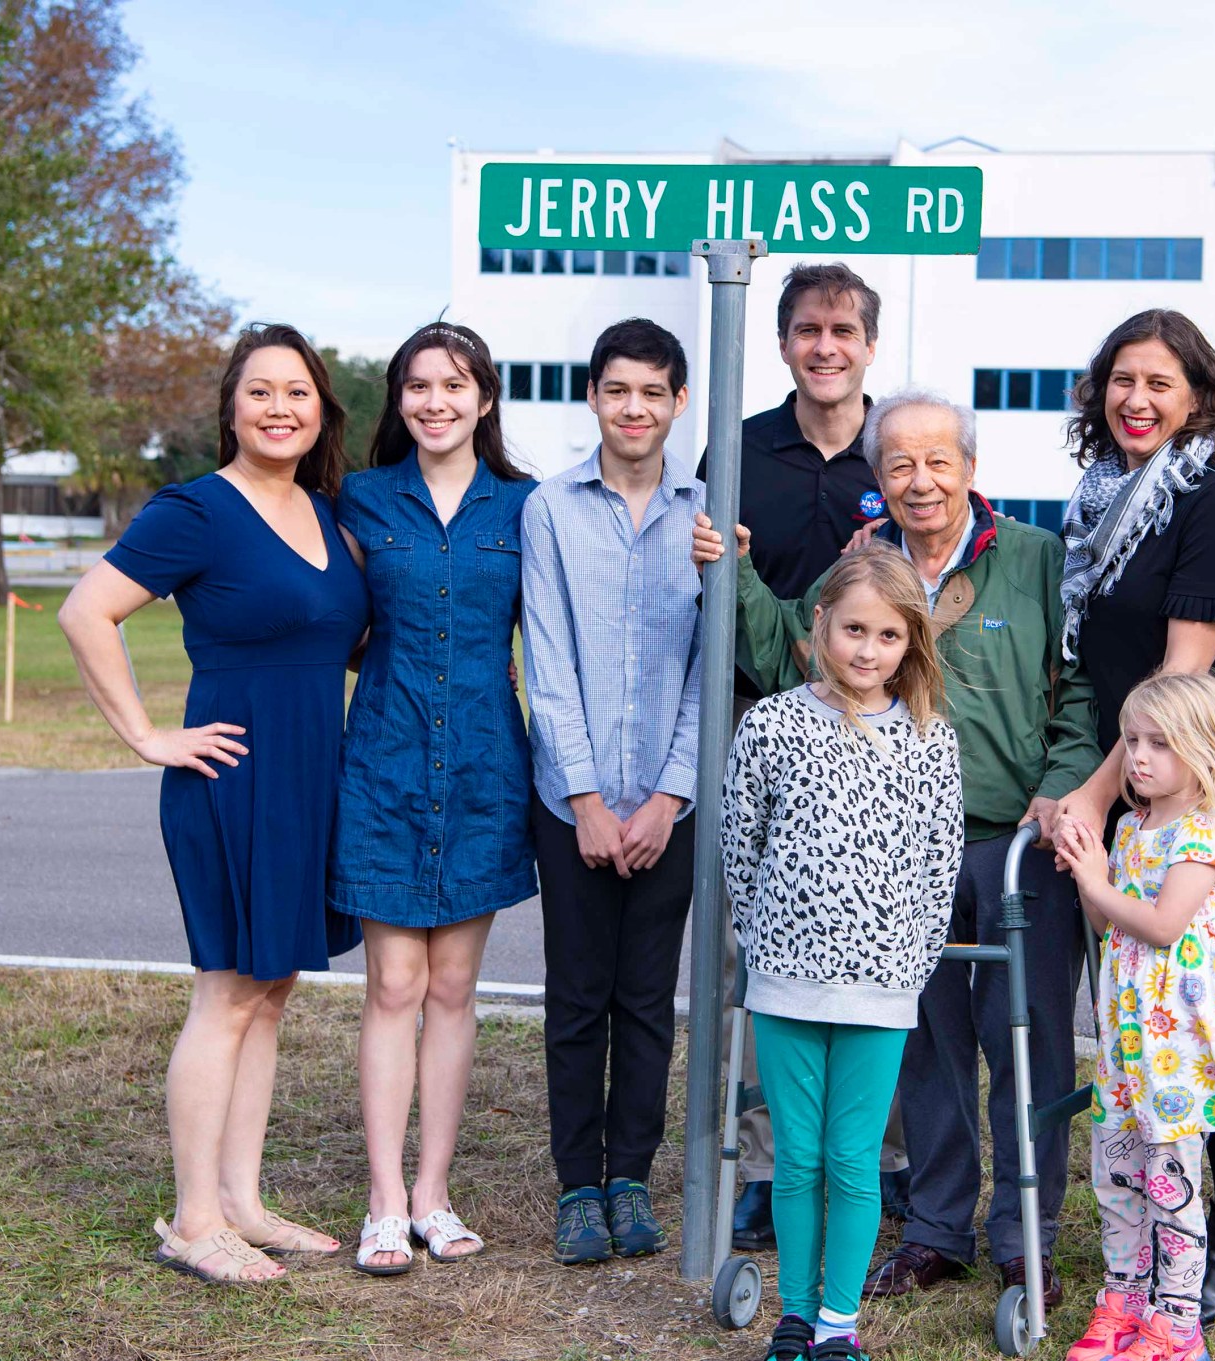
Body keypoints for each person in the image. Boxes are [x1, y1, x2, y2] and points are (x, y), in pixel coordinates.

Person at [695, 388, 1101, 1309]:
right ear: (877, 477)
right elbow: (788, 648)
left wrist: (1060, 788)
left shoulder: (1036, 560)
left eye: (939, 461)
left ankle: (1022, 1233)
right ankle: (935, 1228)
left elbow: (1082, 689)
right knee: (925, 1044)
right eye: (900, 464)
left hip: (1014, 840)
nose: (921, 482)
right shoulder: (863, 568)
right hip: (886, 859)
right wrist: (742, 574)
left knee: (1023, 1037)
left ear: (969, 468)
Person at [59, 323, 366, 1284]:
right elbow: (86, 610)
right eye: (261, 391)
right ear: (231, 407)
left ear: (322, 411)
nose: (281, 408)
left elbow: (337, 639)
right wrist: (148, 737)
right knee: (230, 991)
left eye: (299, 393)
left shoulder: (327, 512)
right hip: (232, 778)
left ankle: (242, 1200)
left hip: (314, 776)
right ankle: (193, 1221)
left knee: (271, 990)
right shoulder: (196, 510)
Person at [1049, 310, 1215, 1324]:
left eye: (1159, 382)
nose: (1135, 400)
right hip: (1140, 772)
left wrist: (1097, 793)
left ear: (1199, 395)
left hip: (1208, 779)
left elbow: (1177, 673)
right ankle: (1154, 1221)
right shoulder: (1099, 503)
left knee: (1203, 1014)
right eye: (1120, 379)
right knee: (1143, 1005)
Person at [722, 543, 965, 1361]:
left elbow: (940, 862)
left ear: (911, 643)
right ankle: (793, 1315)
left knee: (854, 1159)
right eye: (854, 628)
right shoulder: (773, 723)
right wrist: (766, 945)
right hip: (786, 981)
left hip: (881, 987)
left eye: (888, 635)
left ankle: (836, 1322)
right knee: (797, 1158)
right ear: (820, 623)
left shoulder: (931, 740)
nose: (868, 649)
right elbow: (740, 844)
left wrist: (908, 961)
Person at [702, 260, 902, 1251]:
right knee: (760, 956)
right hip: (764, 741)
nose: (825, 346)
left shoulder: (895, 456)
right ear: (781, 341)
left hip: (873, 746)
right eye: (807, 330)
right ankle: (764, 1160)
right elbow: (713, 603)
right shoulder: (737, 452)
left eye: (843, 330)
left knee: (883, 950)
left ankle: (884, 1164)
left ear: (869, 344)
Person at [331, 322, 537, 1274]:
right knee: (392, 987)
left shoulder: (526, 506)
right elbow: (324, 618)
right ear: (398, 400)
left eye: (454, 385)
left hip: (489, 774)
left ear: (484, 399)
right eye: (418, 386)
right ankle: (381, 1201)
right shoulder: (361, 500)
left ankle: (433, 1194)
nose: (435, 401)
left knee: (454, 990)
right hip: (384, 767)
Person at [521, 316, 704, 1265]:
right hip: (573, 805)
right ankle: (577, 1185)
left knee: (646, 997)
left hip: (670, 807)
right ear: (594, 396)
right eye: (617, 389)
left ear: (679, 403)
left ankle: (630, 1174)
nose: (634, 408)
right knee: (578, 995)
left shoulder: (708, 513)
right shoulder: (550, 509)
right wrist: (587, 798)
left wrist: (669, 796)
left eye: (653, 392)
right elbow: (545, 661)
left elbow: (712, 669)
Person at [1055, 672, 1215, 1361]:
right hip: (1127, 1040)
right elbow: (1104, 918)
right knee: (1117, 1175)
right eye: (1132, 740)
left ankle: (1177, 1322)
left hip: (1180, 1049)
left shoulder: (1207, 830)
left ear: (1203, 749)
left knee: (1171, 1184)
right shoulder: (1134, 825)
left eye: (1159, 744)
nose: (1138, 757)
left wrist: (1096, 882)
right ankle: (1125, 1297)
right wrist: (1093, 868)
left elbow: (1165, 924)